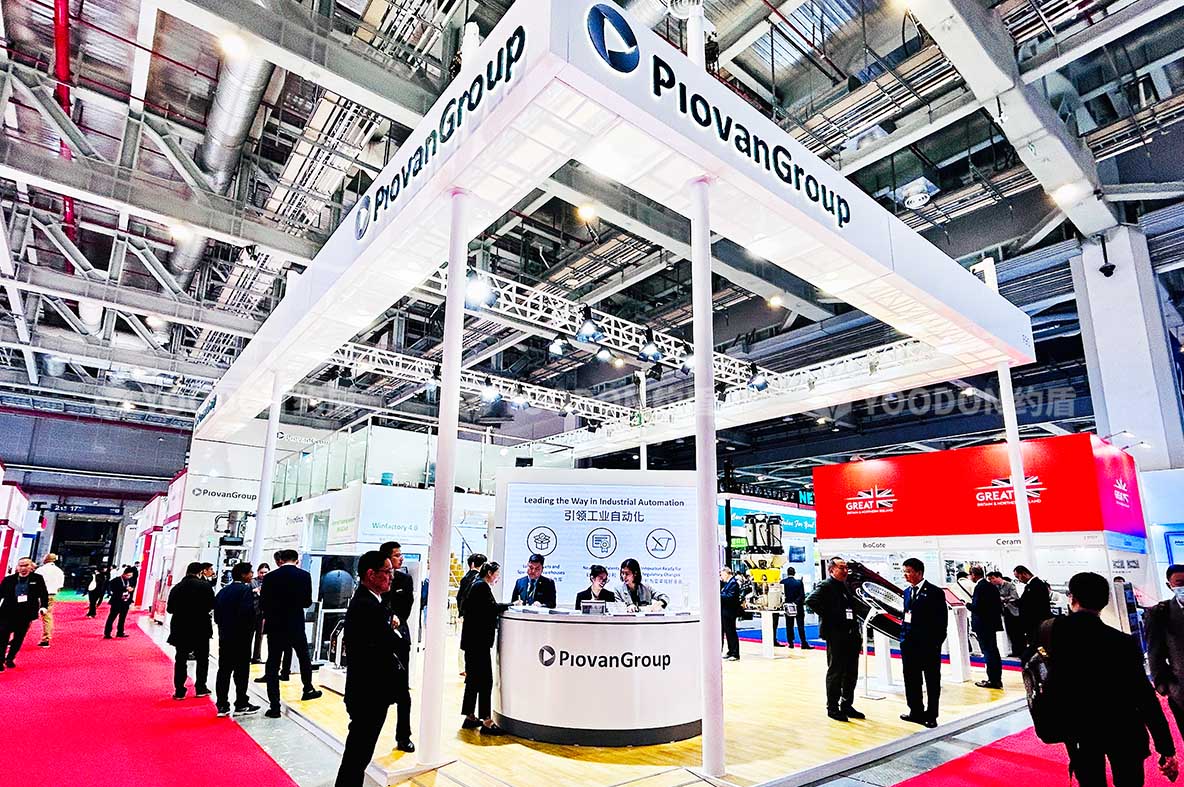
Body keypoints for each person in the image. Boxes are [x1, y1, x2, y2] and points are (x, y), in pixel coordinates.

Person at [1049, 571, 1177, 786]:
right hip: (1123, 726)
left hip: (1077, 726)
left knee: (1089, 779)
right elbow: (1144, 696)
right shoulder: (1122, 642)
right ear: (1106, 600)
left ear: (1072, 598)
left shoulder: (1051, 634)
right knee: (1129, 779)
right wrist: (1165, 746)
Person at [335, 552, 412, 787]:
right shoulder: (367, 605)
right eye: (387, 572)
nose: (391, 577)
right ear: (371, 574)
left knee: (359, 753)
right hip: (369, 692)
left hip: (367, 690)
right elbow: (388, 643)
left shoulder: (374, 602)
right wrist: (395, 635)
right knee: (358, 754)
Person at [261, 549, 322, 718]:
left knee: (273, 663)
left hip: (275, 625)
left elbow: (263, 603)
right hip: (295, 624)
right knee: (303, 657)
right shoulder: (304, 576)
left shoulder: (270, 577)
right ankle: (308, 688)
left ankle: (274, 705)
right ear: (297, 560)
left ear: (281, 559)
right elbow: (307, 602)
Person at [805, 557, 864, 722]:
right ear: (831, 570)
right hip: (837, 636)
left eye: (846, 568)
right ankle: (832, 707)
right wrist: (832, 617)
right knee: (836, 672)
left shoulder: (845, 585)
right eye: (841, 568)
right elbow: (810, 601)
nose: (845, 571)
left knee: (851, 672)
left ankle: (847, 704)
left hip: (851, 635)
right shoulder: (826, 586)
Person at [460, 561, 509, 735]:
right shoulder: (481, 587)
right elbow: (491, 609)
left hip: (472, 642)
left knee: (473, 680)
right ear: (489, 573)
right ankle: (486, 721)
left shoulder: (475, 584)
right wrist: (509, 605)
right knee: (485, 681)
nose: (498, 578)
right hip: (478, 643)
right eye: (497, 574)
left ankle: (470, 716)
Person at [899, 557, 947, 728]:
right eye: (904, 572)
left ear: (919, 573)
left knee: (932, 681)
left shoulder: (935, 592)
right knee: (911, 679)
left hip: (928, 646)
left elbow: (941, 621)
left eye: (908, 572)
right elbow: (906, 616)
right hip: (909, 645)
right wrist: (903, 638)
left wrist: (936, 643)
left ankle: (932, 714)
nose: (905, 575)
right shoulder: (906, 592)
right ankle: (915, 711)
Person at [378, 541, 415, 753]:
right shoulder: (375, 579)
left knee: (403, 692)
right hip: (378, 639)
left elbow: (406, 607)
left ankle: (403, 736)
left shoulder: (405, 580)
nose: (401, 558)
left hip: (400, 639)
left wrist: (397, 618)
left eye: (401, 555)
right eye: (396, 555)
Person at [213, 562, 261, 717]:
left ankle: (222, 704)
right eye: (250, 572)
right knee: (241, 671)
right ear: (243, 574)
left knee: (224, 670)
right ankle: (241, 703)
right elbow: (247, 614)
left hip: (225, 636)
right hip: (241, 638)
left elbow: (217, 615)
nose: (252, 575)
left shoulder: (223, 591)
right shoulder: (246, 591)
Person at [166, 561, 215, 700]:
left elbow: (170, 609)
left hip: (180, 628)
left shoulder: (177, 588)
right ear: (200, 572)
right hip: (201, 627)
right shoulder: (205, 586)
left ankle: (179, 690)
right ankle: (201, 687)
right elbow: (211, 605)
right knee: (202, 659)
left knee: (181, 659)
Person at [1145, 564, 1184, 738]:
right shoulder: (1161, 613)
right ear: (1170, 585)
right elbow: (1155, 653)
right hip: (1181, 691)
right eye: (1180, 583)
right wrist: (1163, 685)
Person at [0, 558, 49, 671]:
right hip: (7, 613)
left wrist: (43, 606)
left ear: (31, 567)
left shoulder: (37, 579)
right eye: (21, 565)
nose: (23, 568)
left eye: (26, 565)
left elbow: (43, 594)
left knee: (18, 638)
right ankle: (0, 660)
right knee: (2, 638)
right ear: (17, 567)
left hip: (26, 614)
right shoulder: (8, 579)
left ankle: (10, 658)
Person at [967, 566, 1003, 690]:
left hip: (983, 625)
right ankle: (996, 679)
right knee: (993, 651)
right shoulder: (991, 586)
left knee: (988, 652)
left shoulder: (980, 587)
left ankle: (992, 680)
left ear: (973, 574)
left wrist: (967, 605)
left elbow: (977, 607)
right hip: (991, 624)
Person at [1014, 565, 1053, 646]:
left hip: (1037, 621)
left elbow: (1032, 604)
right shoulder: (1030, 585)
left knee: (1038, 644)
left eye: (1018, 577)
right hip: (1032, 622)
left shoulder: (1037, 585)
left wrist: (1019, 603)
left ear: (1024, 574)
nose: (1019, 580)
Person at [988, 571, 1024, 656]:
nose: (991, 581)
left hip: (1013, 611)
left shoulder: (1010, 585)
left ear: (998, 577)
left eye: (992, 578)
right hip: (1004, 612)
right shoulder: (995, 587)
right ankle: (1015, 651)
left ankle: (1022, 650)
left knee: (1017, 632)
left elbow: (1014, 597)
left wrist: (1003, 599)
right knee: (1010, 632)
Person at [777, 567, 811, 649]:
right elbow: (802, 595)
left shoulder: (782, 582)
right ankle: (803, 642)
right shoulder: (799, 583)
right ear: (794, 573)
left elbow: (780, 595)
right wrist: (795, 603)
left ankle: (790, 643)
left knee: (789, 625)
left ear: (787, 573)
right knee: (800, 625)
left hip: (787, 606)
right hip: (798, 607)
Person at [36, 553, 65, 648]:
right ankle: (46, 639)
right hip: (51, 594)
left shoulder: (40, 570)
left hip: (38, 594)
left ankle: (16, 636)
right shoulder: (59, 571)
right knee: (47, 616)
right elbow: (60, 586)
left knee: (27, 615)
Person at [104, 566, 135, 639]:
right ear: (124, 574)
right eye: (128, 575)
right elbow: (113, 589)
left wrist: (131, 589)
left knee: (122, 618)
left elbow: (131, 588)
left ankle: (120, 632)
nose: (129, 577)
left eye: (130, 575)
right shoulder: (116, 580)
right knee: (112, 617)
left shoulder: (130, 581)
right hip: (116, 602)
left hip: (125, 602)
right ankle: (107, 633)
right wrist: (124, 588)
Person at [720, 566, 742, 661]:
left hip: (730, 612)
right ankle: (730, 651)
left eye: (722, 574)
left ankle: (735, 653)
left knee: (731, 632)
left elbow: (730, 597)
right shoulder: (728, 583)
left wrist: (719, 595)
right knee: (728, 633)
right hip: (726, 611)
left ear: (726, 573)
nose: (721, 576)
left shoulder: (733, 583)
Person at [250, 562, 270, 664]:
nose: (263, 575)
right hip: (252, 612)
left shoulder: (270, 582)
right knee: (249, 635)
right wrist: (255, 591)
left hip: (263, 614)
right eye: (261, 572)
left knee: (260, 636)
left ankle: (257, 657)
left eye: (265, 572)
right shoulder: (252, 582)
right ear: (258, 572)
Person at [456, 553, 485, 618]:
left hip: (465, 613)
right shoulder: (479, 578)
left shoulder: (465, 578)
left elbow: (459, 596)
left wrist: (461, 612)